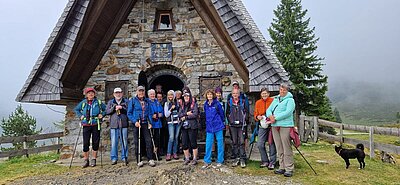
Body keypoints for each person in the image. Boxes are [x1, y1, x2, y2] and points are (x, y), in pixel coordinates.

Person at [266, 84, 295, 177]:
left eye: (284, 90)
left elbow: (288, 112)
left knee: (286, 147)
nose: (282, 91)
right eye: (281, 89)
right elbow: (268, 110)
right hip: (275, 126)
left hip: (285, 126)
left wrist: (276, 117)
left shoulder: (290, 100)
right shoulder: (275, 99)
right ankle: (282, 167)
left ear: (287, 91)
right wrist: (270, 116)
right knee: (279, 147)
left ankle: (289, 168)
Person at [74, 87, 106, 168]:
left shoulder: (98, 102)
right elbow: (76, 109)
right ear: (86, 95)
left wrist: (102, 114)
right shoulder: (83, 103)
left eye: (92, 93)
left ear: (94, 94)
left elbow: (105, 109)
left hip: (96, 124)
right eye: (89, 93)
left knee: (95, 142)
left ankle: (94, 159)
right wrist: (80, 115)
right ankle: (86, 160)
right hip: (86, 125)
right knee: (86, 143)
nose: (90, 94)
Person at [127, 86, 156, 167]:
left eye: (142, 91)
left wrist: (150, 122)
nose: (141, 93)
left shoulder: (147, 101)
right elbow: (129, 113)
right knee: (137, 141)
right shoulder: (133, 100)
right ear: (137, 92)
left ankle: (150, 158)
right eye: (140, 91)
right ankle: (139, 160)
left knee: (148, 140)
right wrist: (135, 121)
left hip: (145, 122)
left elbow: (149, 112)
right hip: (137, 123)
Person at [225, 81, 249, 159]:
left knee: (242, 141)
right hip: (232, 125)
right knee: (234, 141)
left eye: (236, 93)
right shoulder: (229, 102)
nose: (235, 95)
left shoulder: (243, 101)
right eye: (234, 94)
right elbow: (227, 113)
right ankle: (235, 155)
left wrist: (246, 121)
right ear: (232, 94)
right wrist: (229, 122)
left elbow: (247, 112)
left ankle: (242, 156)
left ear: (239, 94)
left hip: (242, 124)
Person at [254, 87, 276, 169]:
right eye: (263, 93)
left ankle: (272, 162)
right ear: (261, 94)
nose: (264, 95)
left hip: (271, 125)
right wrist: (257, 117)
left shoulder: (273, 101)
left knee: (271, 143)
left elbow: (276, 111)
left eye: (266, 93)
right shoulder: (258, 102)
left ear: (268, 94)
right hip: (262, 125)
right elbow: (255, 114)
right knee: (260, 144)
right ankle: (265, 161)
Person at [202, 89, 225, 169]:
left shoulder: (217, 104)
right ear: (206, 96)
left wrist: (221, 122)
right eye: (208, 94)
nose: (209, 96)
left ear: (213, 95)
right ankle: (207, 160)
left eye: (211, 94)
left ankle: (220, 160)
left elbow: (222, 114)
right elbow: (205, 114)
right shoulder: (205, 105)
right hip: (209, 127)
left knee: (220, 143)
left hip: (218, 126)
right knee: (208, 144)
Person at [106, 87, 129, 165]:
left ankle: (124, 157)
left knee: (124, 142)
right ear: (114, 94)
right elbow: (107, 112)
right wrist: (114, 108)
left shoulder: (126, 101)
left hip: (124, 124)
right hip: (114, 125)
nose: (118, 94)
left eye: (119, 92)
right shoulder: (110, 102)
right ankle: (114, 158)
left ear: (122, 93)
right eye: (116, 93)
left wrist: (122, 108)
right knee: (114, 142)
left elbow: (129, 111)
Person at [179, 88, 199, 165]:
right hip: (184, 126)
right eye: (185, 96)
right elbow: (180, 114)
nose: (186, 97)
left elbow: (195, 114)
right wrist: (187, 113)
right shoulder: (182, 105)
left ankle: (194, 158)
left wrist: (186, 116)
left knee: (193, 142)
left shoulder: (194, 104)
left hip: (192, 126)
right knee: (184, 143)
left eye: (187, 96)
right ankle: (187, 158)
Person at [164, 90, 181, 161]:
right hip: (170, 122)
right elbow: (166, 114)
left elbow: (180, 111)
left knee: (176, 138)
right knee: (171, 137)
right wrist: (171, 109)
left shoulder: (178, 103)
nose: (170, 96)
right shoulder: (166, 104)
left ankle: (175, 153)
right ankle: (168, 153)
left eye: (171, 95)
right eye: (169, 95)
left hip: (177, 122)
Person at [147, 89, 164, 160]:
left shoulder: (157, 102)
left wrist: (160, 114)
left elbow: (161, 111)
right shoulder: (147, 102)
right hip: (151, 123)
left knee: (157, 139)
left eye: (153, 94)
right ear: (148, 95)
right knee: (151, 140)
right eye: (151, 94)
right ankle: (151, 155)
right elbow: (147, 112)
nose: (152, 95)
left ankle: (156, 153)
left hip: (158, 123)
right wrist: (152, 116)